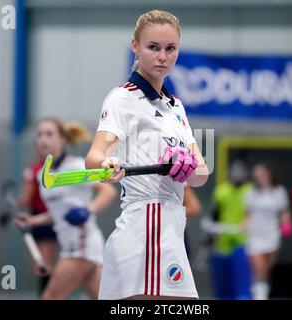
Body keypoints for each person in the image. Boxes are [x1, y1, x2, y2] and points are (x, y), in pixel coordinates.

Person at [85, 10, 209, 300]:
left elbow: (202, 175)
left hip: (171, 227)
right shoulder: (123, 98)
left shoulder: (175, 106)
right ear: (135, 47)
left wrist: (188, 167)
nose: (162, 57)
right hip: (147, 227)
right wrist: (108, 163)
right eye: (153, 47)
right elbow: (94, 156)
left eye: (170, 48)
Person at [16, 117, 117, 299]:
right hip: (72, 244)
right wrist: (33, 220)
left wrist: (88, 210)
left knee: (49, 296)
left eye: (49, 134)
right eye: (39, 134)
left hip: (81, 245)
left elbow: (108, 191)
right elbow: (57, 212)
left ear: (62, 139)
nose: (43, 139)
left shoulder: (75, 166)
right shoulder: (42, 175)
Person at [245, 163, 292, 300]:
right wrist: (244, 226)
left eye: (263, 174)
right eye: (257, 175)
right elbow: (247, 215)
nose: (260, 177)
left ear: (269, 175)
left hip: (272, 235)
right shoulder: (250, 193)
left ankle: (259, 293)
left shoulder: (279, 192)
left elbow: (284, 213)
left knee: (264, 271)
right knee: (259, 269)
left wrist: (286, 224)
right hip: (254, 236)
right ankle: (259, 296)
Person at [17, 145, 58, 296]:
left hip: (44, 218)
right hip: (42, 218)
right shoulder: (36, 171)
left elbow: (26, 198)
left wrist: (16, 203)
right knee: (41, 263)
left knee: (42, 264)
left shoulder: (34, 171)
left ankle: (48, 295)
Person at [209, 160, 253, 300]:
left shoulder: (250, 190)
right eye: (234, 172)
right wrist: (214, 229)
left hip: (245, 239)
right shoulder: (221, 190)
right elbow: (215, 214)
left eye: (240, 173)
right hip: (224, 238)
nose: (237, 175)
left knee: (242, 276)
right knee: (223, 279)